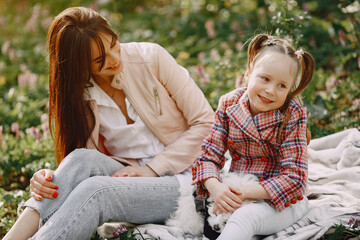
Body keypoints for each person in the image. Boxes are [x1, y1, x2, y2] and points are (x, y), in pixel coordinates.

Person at [4, 6, 214, 240]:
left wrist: (151, 170)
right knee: (80, 159)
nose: (115, 59)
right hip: (127, 178)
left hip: (187, 179)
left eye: (113, 44)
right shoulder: (80, 94)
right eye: (100, 60)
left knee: (97, 192)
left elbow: (206, 124)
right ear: (79, 66)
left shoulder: (151, 59)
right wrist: (48, 179)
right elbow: (81, 163)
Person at [192, 34, 314, 240]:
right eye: (265, 79)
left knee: (244, 218)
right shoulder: (229, 104)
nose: (270, 90)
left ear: (290, 89)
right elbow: (208, 157)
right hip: (235, 187)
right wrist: (216, 187)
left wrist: (242, 192)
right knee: (198, 203)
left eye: (282, 85)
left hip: (280, 199)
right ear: (248, 73)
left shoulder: (292, 113)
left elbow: (295, 179)